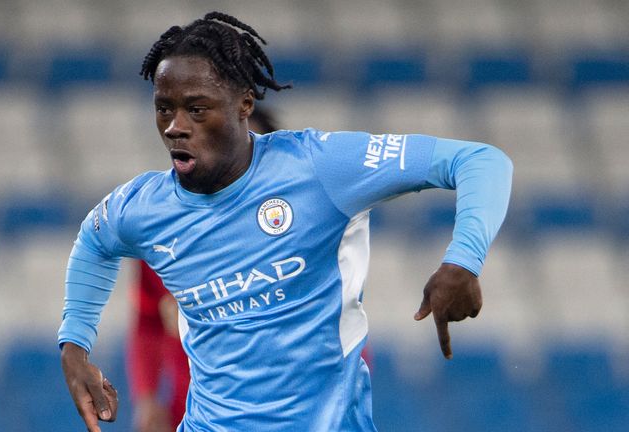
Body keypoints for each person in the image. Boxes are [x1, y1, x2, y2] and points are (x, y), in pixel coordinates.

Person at [58, 11, 513, 432]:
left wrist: (463, 260)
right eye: (164, 109)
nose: (176, 126)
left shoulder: (319, 166)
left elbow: (480, 160)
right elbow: (93, 242)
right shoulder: (144, 207)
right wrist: (75, 347)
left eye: (196, 109)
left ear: (243, 104)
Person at [127, 106, 280, 432]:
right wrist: (147, 396)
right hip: (191, 415)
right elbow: (148, 324)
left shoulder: (302, 239)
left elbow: (347, 333)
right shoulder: (162, 237)